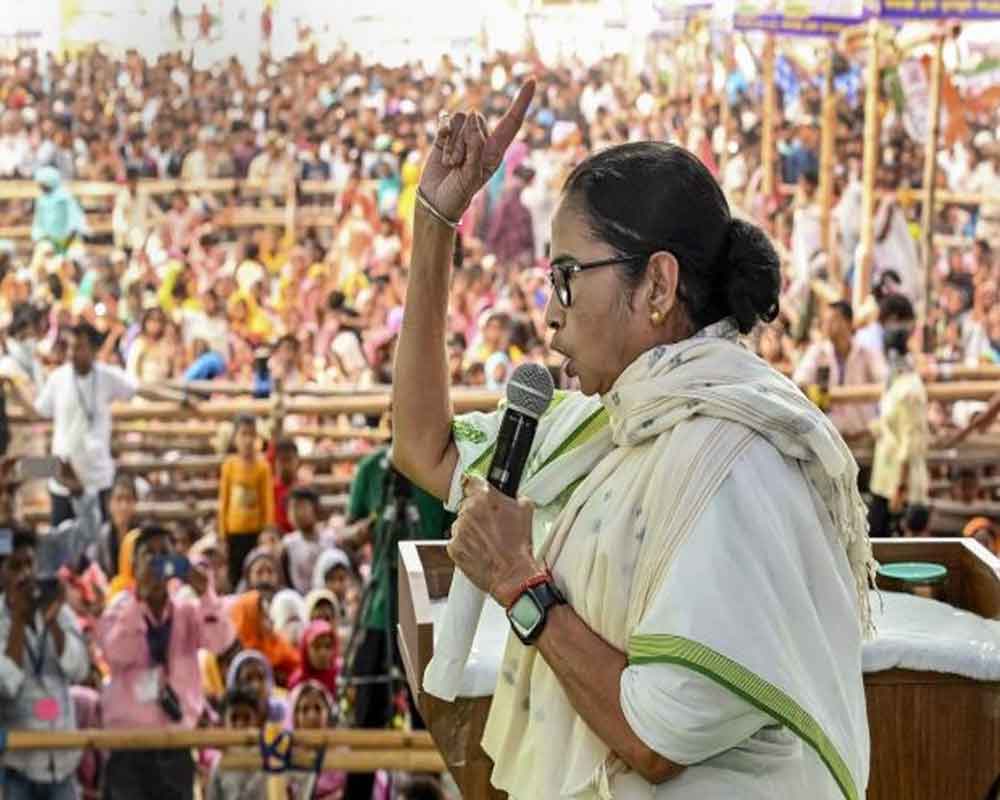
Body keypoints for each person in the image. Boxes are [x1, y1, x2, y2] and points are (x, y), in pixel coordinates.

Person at [393, 85, 871, 798]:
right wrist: (435, 221)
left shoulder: (736, 459)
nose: (550, 317)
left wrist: (522, 584)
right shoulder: (613, 428)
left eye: (565, 279)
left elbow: (659, 735)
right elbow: (421, 447)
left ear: (657, 284)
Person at [97, 525, 235, 800]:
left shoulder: (186, 609)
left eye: (164, 555)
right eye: (149, 555)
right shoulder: (119, 607)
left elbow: (220, 642)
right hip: (129, 746)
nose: (157, 562)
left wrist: (206, 595)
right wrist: (140, 602)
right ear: (134, 565)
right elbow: (116, 654)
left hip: (176, 744)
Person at [21, 322, 177, 526]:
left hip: (98, 478)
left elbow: (140, 390)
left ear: (93, 350)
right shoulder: (58, 378)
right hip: (64, 481)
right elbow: (37, 412)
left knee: (98, 545)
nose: (72, 353)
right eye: (70, 347)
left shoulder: (107, 376)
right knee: (63, 546)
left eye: (78, 347)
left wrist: (178, 398)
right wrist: (14, 391)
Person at [0, 526, 90, 800]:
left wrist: (52, 624)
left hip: (62, 760)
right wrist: (17, 619)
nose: (26, 575)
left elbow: (79, 670)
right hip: (19, 766)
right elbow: (6, 686)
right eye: (16, 567)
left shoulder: (58, 613)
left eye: (30, 564)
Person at [867, 295, 929, 538]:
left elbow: (911, 443)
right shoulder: (893, 385)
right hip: (883, 478)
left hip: (900, 488)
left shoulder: (910, 389)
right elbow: (887, 426)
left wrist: (899, 489)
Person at [793, 301, 888, 441]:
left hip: (863, 435)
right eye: (825, 321)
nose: (827, 325)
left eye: (833, 320)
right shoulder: (818, 352)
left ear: (848, 323)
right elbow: (800, 380)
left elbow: (884, 378)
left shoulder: (866, 352)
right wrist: (818, 393)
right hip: (829, 437)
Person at [218, 414, 275, 589]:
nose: (248, 440)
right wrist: (222, 534)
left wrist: (267, 530)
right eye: (243, 434)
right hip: (234, 532)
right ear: (235, 438)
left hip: (255, 532)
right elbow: (224, 501)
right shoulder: (229, 466)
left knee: (254, 571)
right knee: (235, 573)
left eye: (252, 435)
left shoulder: (263, 467)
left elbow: (267, 501)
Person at [205, 688, 270, 800]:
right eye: (234, 718)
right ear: (224, 723)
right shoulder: (219, 763)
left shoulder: (270, 759)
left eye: (246, 718)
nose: (240, 724)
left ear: (258, 721)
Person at [228, 590, 300, 685]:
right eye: (265, 616)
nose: (272, 620)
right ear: (250, 622)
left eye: (269, 614)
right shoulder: (236, 657)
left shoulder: (278, 643)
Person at [283, 487, 338, 594]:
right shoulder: (288, 545)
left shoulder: (330, 539)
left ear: (315, 509)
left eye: (301, 507)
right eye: (291, 508)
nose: (296, 513)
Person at [288, 619, 338, 697]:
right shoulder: (297, 681)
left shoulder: (340, 677)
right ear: (305, 649)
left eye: (328, 646)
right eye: (316, 647)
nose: (323, 653)